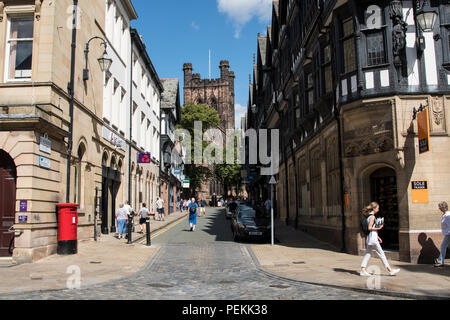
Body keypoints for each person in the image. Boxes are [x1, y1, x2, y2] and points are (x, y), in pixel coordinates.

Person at [360, 202, 400, 276]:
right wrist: (378, 228)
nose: (378, 210)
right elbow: (369, 228)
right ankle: (390, 270)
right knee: (381, 254)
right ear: (374, 209)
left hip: (371, 238)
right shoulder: (372, 217)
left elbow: (371, 230)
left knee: (368, 254)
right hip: (373, 239)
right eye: (377, 208)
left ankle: (362, 269)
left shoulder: (368, 217)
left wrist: (378, 237)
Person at [435, 201, 450, 267]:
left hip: (449, 234)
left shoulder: (447, 215)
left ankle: (440, 261)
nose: (439, 208)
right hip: (447, 233)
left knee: (443, 246)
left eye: (440, 207)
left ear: (443, 207)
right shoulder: (445, 214)